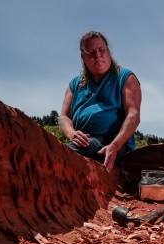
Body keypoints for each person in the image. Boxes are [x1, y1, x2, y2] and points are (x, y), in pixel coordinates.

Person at [59, 31, 141, 172]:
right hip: (83, 141)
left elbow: (133, 115)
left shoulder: (125, 77)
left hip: (114, 144)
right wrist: (72, 133)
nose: (97, 55)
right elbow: (63, 117)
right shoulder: (74, 84)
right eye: (91, 52)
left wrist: (115, 145)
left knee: (71, 152)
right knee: (81, 146)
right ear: (83, 57)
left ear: (108, 51)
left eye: (101, 50)